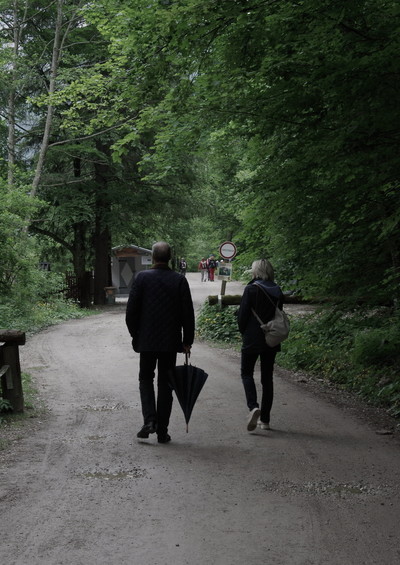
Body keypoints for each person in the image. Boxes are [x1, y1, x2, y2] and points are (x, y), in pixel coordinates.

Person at [126, 242, 195, 443]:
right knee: (166, 384)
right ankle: (162, 431)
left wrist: (136, 335)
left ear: (153, 257)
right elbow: (187, 314)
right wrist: (187, 341)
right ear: (170, 258)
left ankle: (150, 421)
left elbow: (131, 312)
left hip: (146, 340)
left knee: (145, 379)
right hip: (170, 342)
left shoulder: (141, 278)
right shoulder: (179, 280)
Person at [237, 259, 284, 432]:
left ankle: (253, 407)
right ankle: (265, 420)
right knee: (267, 378)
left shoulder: (251, 289)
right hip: (271, 338)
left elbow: (242, 315)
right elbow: (279, 314)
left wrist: (244, 332)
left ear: (256, 272)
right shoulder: (277, 290)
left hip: (252, 337)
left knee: (246, 373)